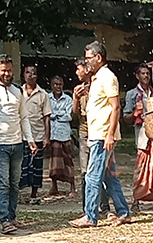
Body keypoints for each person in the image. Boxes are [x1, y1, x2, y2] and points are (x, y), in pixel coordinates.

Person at [69, 41, 132, 228]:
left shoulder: (108, 77)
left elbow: (115, 107)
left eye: (88, 58)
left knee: (92, 177)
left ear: (98, 58)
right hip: (97, 135)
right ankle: (124, 212)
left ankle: (90, 216)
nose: (86, 62)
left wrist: (110, 135)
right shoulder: (96, 79)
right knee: (109, 177)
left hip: (103, 137)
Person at [0, 54, 37, 235]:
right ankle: (4, 219)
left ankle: (12, 216)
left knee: (14, 183)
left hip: (17, 144)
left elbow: (23, 117)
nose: (7, 74)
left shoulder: (18, 91)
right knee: (2, 184)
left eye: (10, 70)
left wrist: (30, 139)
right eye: (3, 70)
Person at [123, 63, 153, 211]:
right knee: (141, 169)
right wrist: (135, 113)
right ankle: (136, 200)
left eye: (147, 73)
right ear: (137, 76)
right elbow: (126, 118)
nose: (146, 76)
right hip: (142, 136)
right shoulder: (132, 94)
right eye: (142, 73)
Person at [72, 58, 108, 212]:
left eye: (79, 69)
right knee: (85, 171)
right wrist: (75, 99)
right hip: (84, 132)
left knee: (101, 170)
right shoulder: (79, 90)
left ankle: (104, 206)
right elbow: (74, 118)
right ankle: (87, 207)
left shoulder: (98, 85)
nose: (77, 72)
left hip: (98, 131)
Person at [19, 64, 51, 204]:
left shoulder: (43, 94)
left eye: (33, 73)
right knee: (21, 165)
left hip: (37, 134)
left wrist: (46, 136)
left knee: (36, 165)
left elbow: (46, 117)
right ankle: (18, 193)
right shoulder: (17, 92)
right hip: (20, 135)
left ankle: (34, 194)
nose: (30, 75)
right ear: (23, 75)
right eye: (27, 72)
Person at [47, 75, 76, 198]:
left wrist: (55, 115)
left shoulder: (68, 99)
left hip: (65, 134)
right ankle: (54, 187)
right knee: (54, 162)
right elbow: (47, 114)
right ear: (52, 85)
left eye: (60, 84)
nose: (58, 87)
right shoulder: (47, 98)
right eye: (55, 84)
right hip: (53, 134)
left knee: (68, 161)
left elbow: (68, 116)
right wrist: (59, 114)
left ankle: (72, 187)